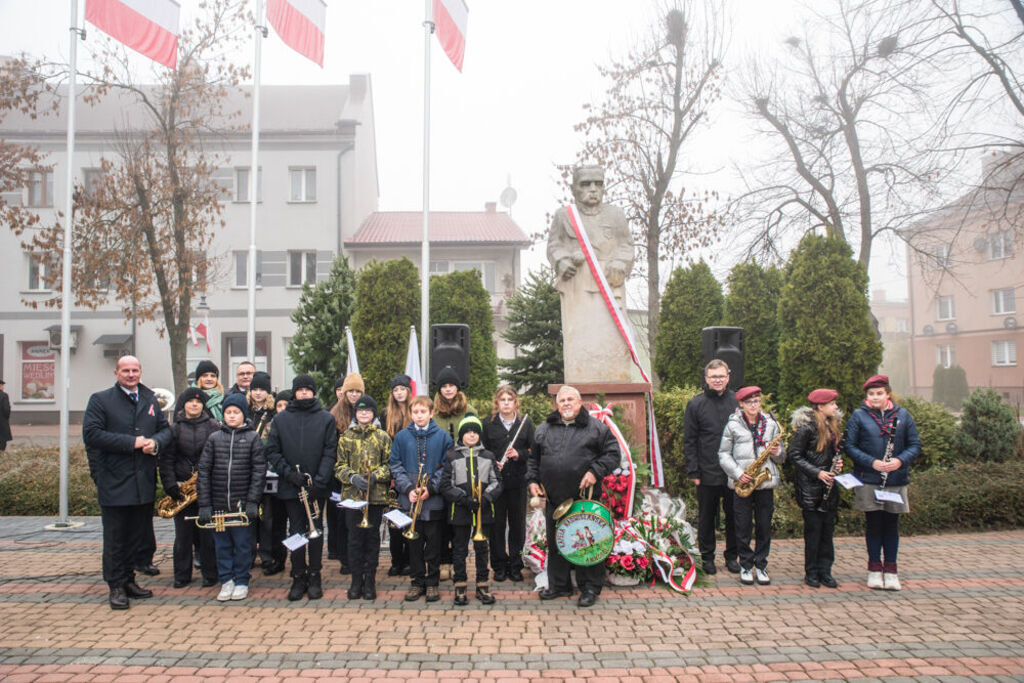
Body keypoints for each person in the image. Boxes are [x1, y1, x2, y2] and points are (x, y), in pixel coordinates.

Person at [82, 355, 172, 610]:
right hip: (114, 480)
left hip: (142, 481)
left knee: (136, 536)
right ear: (116, 373)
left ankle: (130, 580)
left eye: (135, 370)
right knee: (115, 539)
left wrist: (155, 443)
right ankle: (115, 586)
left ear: (140, 372)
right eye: (125, 371)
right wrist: (131, 443)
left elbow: (165, 430)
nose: (131, 375)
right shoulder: (100, 400)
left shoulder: (149, 398)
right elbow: (92, 434)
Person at [526, 385, 619, 607]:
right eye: (562, 400)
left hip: (583, 498)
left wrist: (595, 471)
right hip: (555, 498)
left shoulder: (596, 428)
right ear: (557, 405)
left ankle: (590, 587)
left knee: (587, 543)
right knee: (557, 542)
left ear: (579, 403)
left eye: (571, 399)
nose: (566, 403)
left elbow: (613, 454)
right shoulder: (544, 429)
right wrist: (532, 480)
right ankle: (560, 585)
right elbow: (534, 460)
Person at [546, 164, 636, 383]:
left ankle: (615, 379)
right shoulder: (564, 216)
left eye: (598, 184)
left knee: (611, 335)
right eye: (586, 184)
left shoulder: (615, 214)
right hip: (577, 286)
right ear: (574, 188)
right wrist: (562, 260)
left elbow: (627, 246)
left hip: (609, 284)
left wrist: (620, 262)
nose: (593, 189)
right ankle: (582, 378)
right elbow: (553, 246)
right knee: (581, 336)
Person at [265, 374, 338, 601]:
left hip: (317, 487)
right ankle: (298, 575)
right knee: (295, 530)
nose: (304, 393)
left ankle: (315, 575)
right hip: (291, 486)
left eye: (308, 389)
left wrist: (320, 481)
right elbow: (273, 452)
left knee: (316, 530)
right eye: (300, 390)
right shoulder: (281, 419)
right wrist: (289, 474)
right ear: (294, 392)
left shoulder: (326, 419)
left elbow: (330, 451)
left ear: (313, 392)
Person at [845, 375, 921, 591]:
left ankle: (891, 570)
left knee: (891, 526)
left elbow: (914, 444)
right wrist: (872, 462)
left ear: (888, 394)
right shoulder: (859, 416)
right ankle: (874, 569)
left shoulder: (903, 415)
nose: (875, 397)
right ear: (867, 396)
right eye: (871, 394)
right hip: (869, 479)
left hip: (895, 480)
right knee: (873, 525)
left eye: (879, 393)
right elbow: (850, 446)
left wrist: (899, 461)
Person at [197, 393, 267, 601]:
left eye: (236, 412)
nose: (232, 416)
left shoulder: (252, 437)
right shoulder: (214, 438)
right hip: (218, 504)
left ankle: (242, 580)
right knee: (222, 545)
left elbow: (258, 471)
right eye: (228, 412)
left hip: (241, 504)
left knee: (243, 544)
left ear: (243, 414)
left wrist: (253, 501)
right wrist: (204, 504)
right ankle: (226, 580)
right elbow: (204, 471)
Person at [718, 386, 784, 586]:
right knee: (743, 526)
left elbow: (782, 459)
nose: (753, 405)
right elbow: (723, 454)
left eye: (756, 401)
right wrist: (739, 473)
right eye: (749, 402)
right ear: (741, 404)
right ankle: (746, 565)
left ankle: (761, 565)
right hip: (743, 484)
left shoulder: (771, 424)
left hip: (765, 483)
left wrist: (778, 452)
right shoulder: (733, 425)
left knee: (764, 526)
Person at [391, 394, 453, 603]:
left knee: (434, 544)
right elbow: (395, 465)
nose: (419, 416)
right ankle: (417, 582)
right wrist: (407, 488)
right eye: (415, 412)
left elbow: (447, 467)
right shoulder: (401, 437)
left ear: (431, 413)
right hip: (410, 500)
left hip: (433, 500)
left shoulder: (443, 437)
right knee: (414, 545)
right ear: (410, 414)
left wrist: (431, 488)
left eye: (423, 412)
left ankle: (433, 582)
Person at [159, 387, 220, 588]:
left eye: (198, 401)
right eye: (190, 401)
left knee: (208, 535)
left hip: (206, 487)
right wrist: (170, 484)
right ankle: (181, 576)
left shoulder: (213, 426)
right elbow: (166, 459)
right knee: (183, 536)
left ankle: (210, 575)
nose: (195, 404)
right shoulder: (173, 428)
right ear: (183, 404)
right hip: (182, 488)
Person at [684, 359, 740, 576]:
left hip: (734, 472)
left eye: (721, 376)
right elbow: (689, 440)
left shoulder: (737, 401)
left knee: (735, 516)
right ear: (706, 379)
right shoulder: (695, 404)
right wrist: (693, 471)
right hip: (707, 471)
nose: (717, 380)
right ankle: (707, 557)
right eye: (713, 377)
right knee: (707, 516)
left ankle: (732, 557)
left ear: (728, 377)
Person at [335, 395, 392, 601]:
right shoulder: (346, 437)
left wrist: (376, 476)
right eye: (360, 411)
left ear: (374, 414)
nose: (364, 414)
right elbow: (339, 466)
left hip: (375, 497)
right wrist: (352, 477)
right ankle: (356, 580)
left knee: (372, 539)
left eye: (368, 411)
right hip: (353, 497)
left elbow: (389, 465)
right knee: (354, 540)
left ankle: (370, 580)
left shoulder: (383, 437)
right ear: (355, 414)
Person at [441, 415, 502, 606]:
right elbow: (445, 485)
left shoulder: (488, 456)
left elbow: (497, 482)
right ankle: (460, 586)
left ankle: (482, 585)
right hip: (460, 511)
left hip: (483, 511)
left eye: (475, 432)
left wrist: (486, 498)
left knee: (482, 549)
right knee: (459, 549)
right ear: (461, 435)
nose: (472, 435)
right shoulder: (453, 457)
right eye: (468, 432)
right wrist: (463, 499)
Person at [789, 388, 844, 589]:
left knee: (827, 532)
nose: (836, 407)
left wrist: (837, 465)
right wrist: (817, 472)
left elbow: (831, 454)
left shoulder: (832, 426)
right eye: (832, 404)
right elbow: (794, 455)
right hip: (811, 488)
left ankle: (825, 571)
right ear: (820, 406)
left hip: (828, 487)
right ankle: (811, 572)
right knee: (813, 533)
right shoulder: (806, 428)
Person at [483, 385, 534, 583]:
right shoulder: (488, 424)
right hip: (495, 484)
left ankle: (515, 565)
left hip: (517, 482)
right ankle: (499, 566)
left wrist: (519, 454)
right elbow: (482, 450)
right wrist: (491, 461)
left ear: (515, 403)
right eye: (502, 399)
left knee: (517, 525)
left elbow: (534, 449)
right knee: (496, 526)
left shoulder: (525, 424)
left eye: (509, 400)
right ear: (497, 403)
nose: (506, 403)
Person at [432, 367, 475, 581]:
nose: (448, 390)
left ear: (457, 388)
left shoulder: (469, 410)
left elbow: (476, 438)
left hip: (463, 471)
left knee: (458, 520)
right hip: (440, 471)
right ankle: (443, 561)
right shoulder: (433, 412)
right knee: (441, 520)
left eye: (451, 386)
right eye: (444, 386)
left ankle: (458, 561)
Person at [328, 373, 364, 573]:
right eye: (350, 390)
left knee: (358, 519)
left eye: (358, 391)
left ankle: (359, 556)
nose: (354, 394)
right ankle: (345, 559)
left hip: (362, 477)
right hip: (340, 477)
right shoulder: (334, 415)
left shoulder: (367, 411)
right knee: (342, 520)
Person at [258, 389, 292, 576]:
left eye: (286, 405)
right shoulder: (270, 426)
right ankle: (276, 558)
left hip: (291, 480)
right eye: (279, 405)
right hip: (274, 479)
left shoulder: (296, 424)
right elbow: (265, 450)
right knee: (274, 523)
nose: (282, 408)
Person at [383, 374, 413, 577]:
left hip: (411, 471)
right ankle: (396, 561)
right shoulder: (385, 414)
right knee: (394, 520)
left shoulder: (416, 412)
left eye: (403, 389)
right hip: (392, 472)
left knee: (410, 518)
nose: (399, 392)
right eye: (396, 390)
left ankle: (410, 560)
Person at [0, 379, 11, 451]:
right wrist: (6, 417)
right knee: (2, 438)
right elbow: (6, 409)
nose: (3, 387)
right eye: (2, 385)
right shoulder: (4, 395)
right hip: (1, 420)